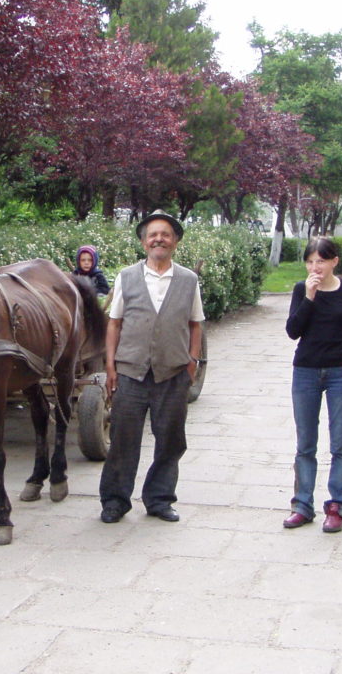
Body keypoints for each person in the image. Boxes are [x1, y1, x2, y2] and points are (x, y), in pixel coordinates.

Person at [99, 210, 205, 524]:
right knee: (123, 439)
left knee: (171, 439)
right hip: (131, 372)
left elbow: (195, 324)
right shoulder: (127, 277)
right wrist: (111, 366)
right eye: (152, 235)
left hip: (173, 374)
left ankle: (159, 499)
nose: (159, 239)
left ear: (175, 242)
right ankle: (115, 501)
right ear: (145, 243)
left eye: (166, 234)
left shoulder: (188, 280)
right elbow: (114, 324)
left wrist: (192, 363)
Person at [282, 237, 342, 533]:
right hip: (305, 371)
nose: (315, 267)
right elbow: (293, 331)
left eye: (321, 261)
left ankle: (337, 507)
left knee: (340, 442)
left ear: (334, 262)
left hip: (340, 371)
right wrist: (309, 296)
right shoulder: (301, 289)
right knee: (306, 443)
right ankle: (302, 505)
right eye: (310, 261)